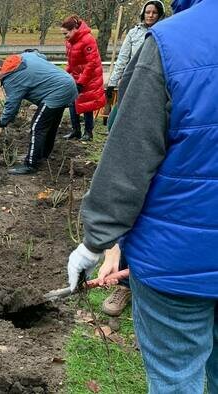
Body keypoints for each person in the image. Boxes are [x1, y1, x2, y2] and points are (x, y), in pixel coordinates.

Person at [65, 1, 218, 391]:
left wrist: (93, 244)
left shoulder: (176, 40)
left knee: (175, 376)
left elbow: (130, 158)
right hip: (187, 252)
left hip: (180, 259)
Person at [0, 52, 77, 175]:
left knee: (37, 127)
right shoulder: (23, 57)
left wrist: (3, 121)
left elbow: (12, 104)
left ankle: (31, 164)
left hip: (56, 92)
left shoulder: (12, 79)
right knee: (49, 126)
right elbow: (41, 56)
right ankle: (41, 156)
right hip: (68, 84)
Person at [105, 0, 165, 129]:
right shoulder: (134, 33)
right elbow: (122, 59)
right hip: (132, 78)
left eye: (154, 13)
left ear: (160, 15)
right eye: (147, 12)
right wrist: (112, 83)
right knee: (117, 117)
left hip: (154, 81)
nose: (150, 15)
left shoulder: (165, 33)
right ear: (143, 14)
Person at [61, 15, 105, 141]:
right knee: (72, 102)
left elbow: (92, 63)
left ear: (75, 28)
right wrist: (64, 74)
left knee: (87, 105)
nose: (65, 36)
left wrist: (81, 82)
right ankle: (76, 131)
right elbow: (71, 62)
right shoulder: (70, 42)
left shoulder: (88, 39)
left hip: (90, 77)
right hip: (76, 76)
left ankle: (88, 133)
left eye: (66, 33)